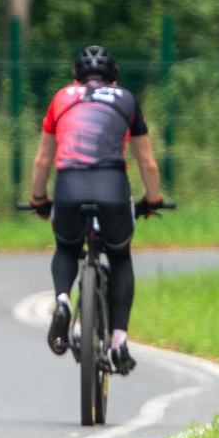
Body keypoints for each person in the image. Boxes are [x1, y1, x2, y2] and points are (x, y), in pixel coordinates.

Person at [27, 43, 166, 375]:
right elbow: (147, 163)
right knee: (119, 256)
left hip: (69, 187)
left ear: (76, 79)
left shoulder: (61, 99)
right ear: (113, 80)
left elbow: (43, 160)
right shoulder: (126, 100)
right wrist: (153, 200)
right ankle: (119, 343)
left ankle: (62, 300)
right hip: (112, 187)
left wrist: (38, 199)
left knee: (67, 246)